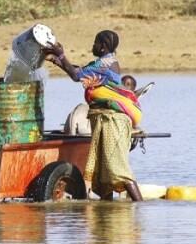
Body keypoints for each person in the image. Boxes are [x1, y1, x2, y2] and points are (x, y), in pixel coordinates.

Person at [46, 30, 144, 201]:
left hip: (112, 120)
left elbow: (77, 75)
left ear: (103, 46)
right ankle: (107, 211)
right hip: (103, 119)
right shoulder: (103, 63)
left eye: (96, 43)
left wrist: (61, 55)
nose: (93, 46)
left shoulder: (105, 64)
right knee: (103, 172)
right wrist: (55, 59)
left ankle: (139, 205)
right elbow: (79, 70)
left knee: (117, 167)